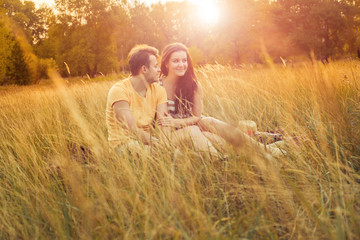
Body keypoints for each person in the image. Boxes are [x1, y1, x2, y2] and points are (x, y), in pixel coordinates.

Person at [157, 42, 285, 155]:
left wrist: (177, 122)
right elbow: (162, 123)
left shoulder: (193, 85)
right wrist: (173, 125)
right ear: (166, 63)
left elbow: (196, 117)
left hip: (191, 125)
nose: (181, 64)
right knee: (208, 136)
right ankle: (265, 149)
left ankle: (264, 150)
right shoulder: (157, 85)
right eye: (176, 61)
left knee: (209, 121)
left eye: (184, 60)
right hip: (173, 133)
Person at [106, 44, 218, 154]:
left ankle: (220, 159)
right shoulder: (119, 90)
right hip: (125, 146)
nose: (159, 69)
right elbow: (132, 130)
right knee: (175, 155)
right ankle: (213, 159)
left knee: (194, 132)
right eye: (155, 66)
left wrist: (165, 142)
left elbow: (164, 125)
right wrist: (161, 144)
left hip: (150, 142)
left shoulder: (158, 90)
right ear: (144, 69)